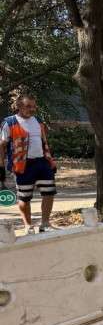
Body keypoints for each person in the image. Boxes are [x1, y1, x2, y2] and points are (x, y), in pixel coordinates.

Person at [0, 94, 57, 233]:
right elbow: (1, 145)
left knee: (49, 193)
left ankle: (45, 224)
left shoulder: (38, 121)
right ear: (19, 106)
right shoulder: (9, 122)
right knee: (24, 197)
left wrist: (50, 160)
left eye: (33, 106)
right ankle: (28, 225)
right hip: (23, 165)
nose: (32, 109)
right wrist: (1, 165)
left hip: (42, 162)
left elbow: (43, 142)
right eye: (28, 106)